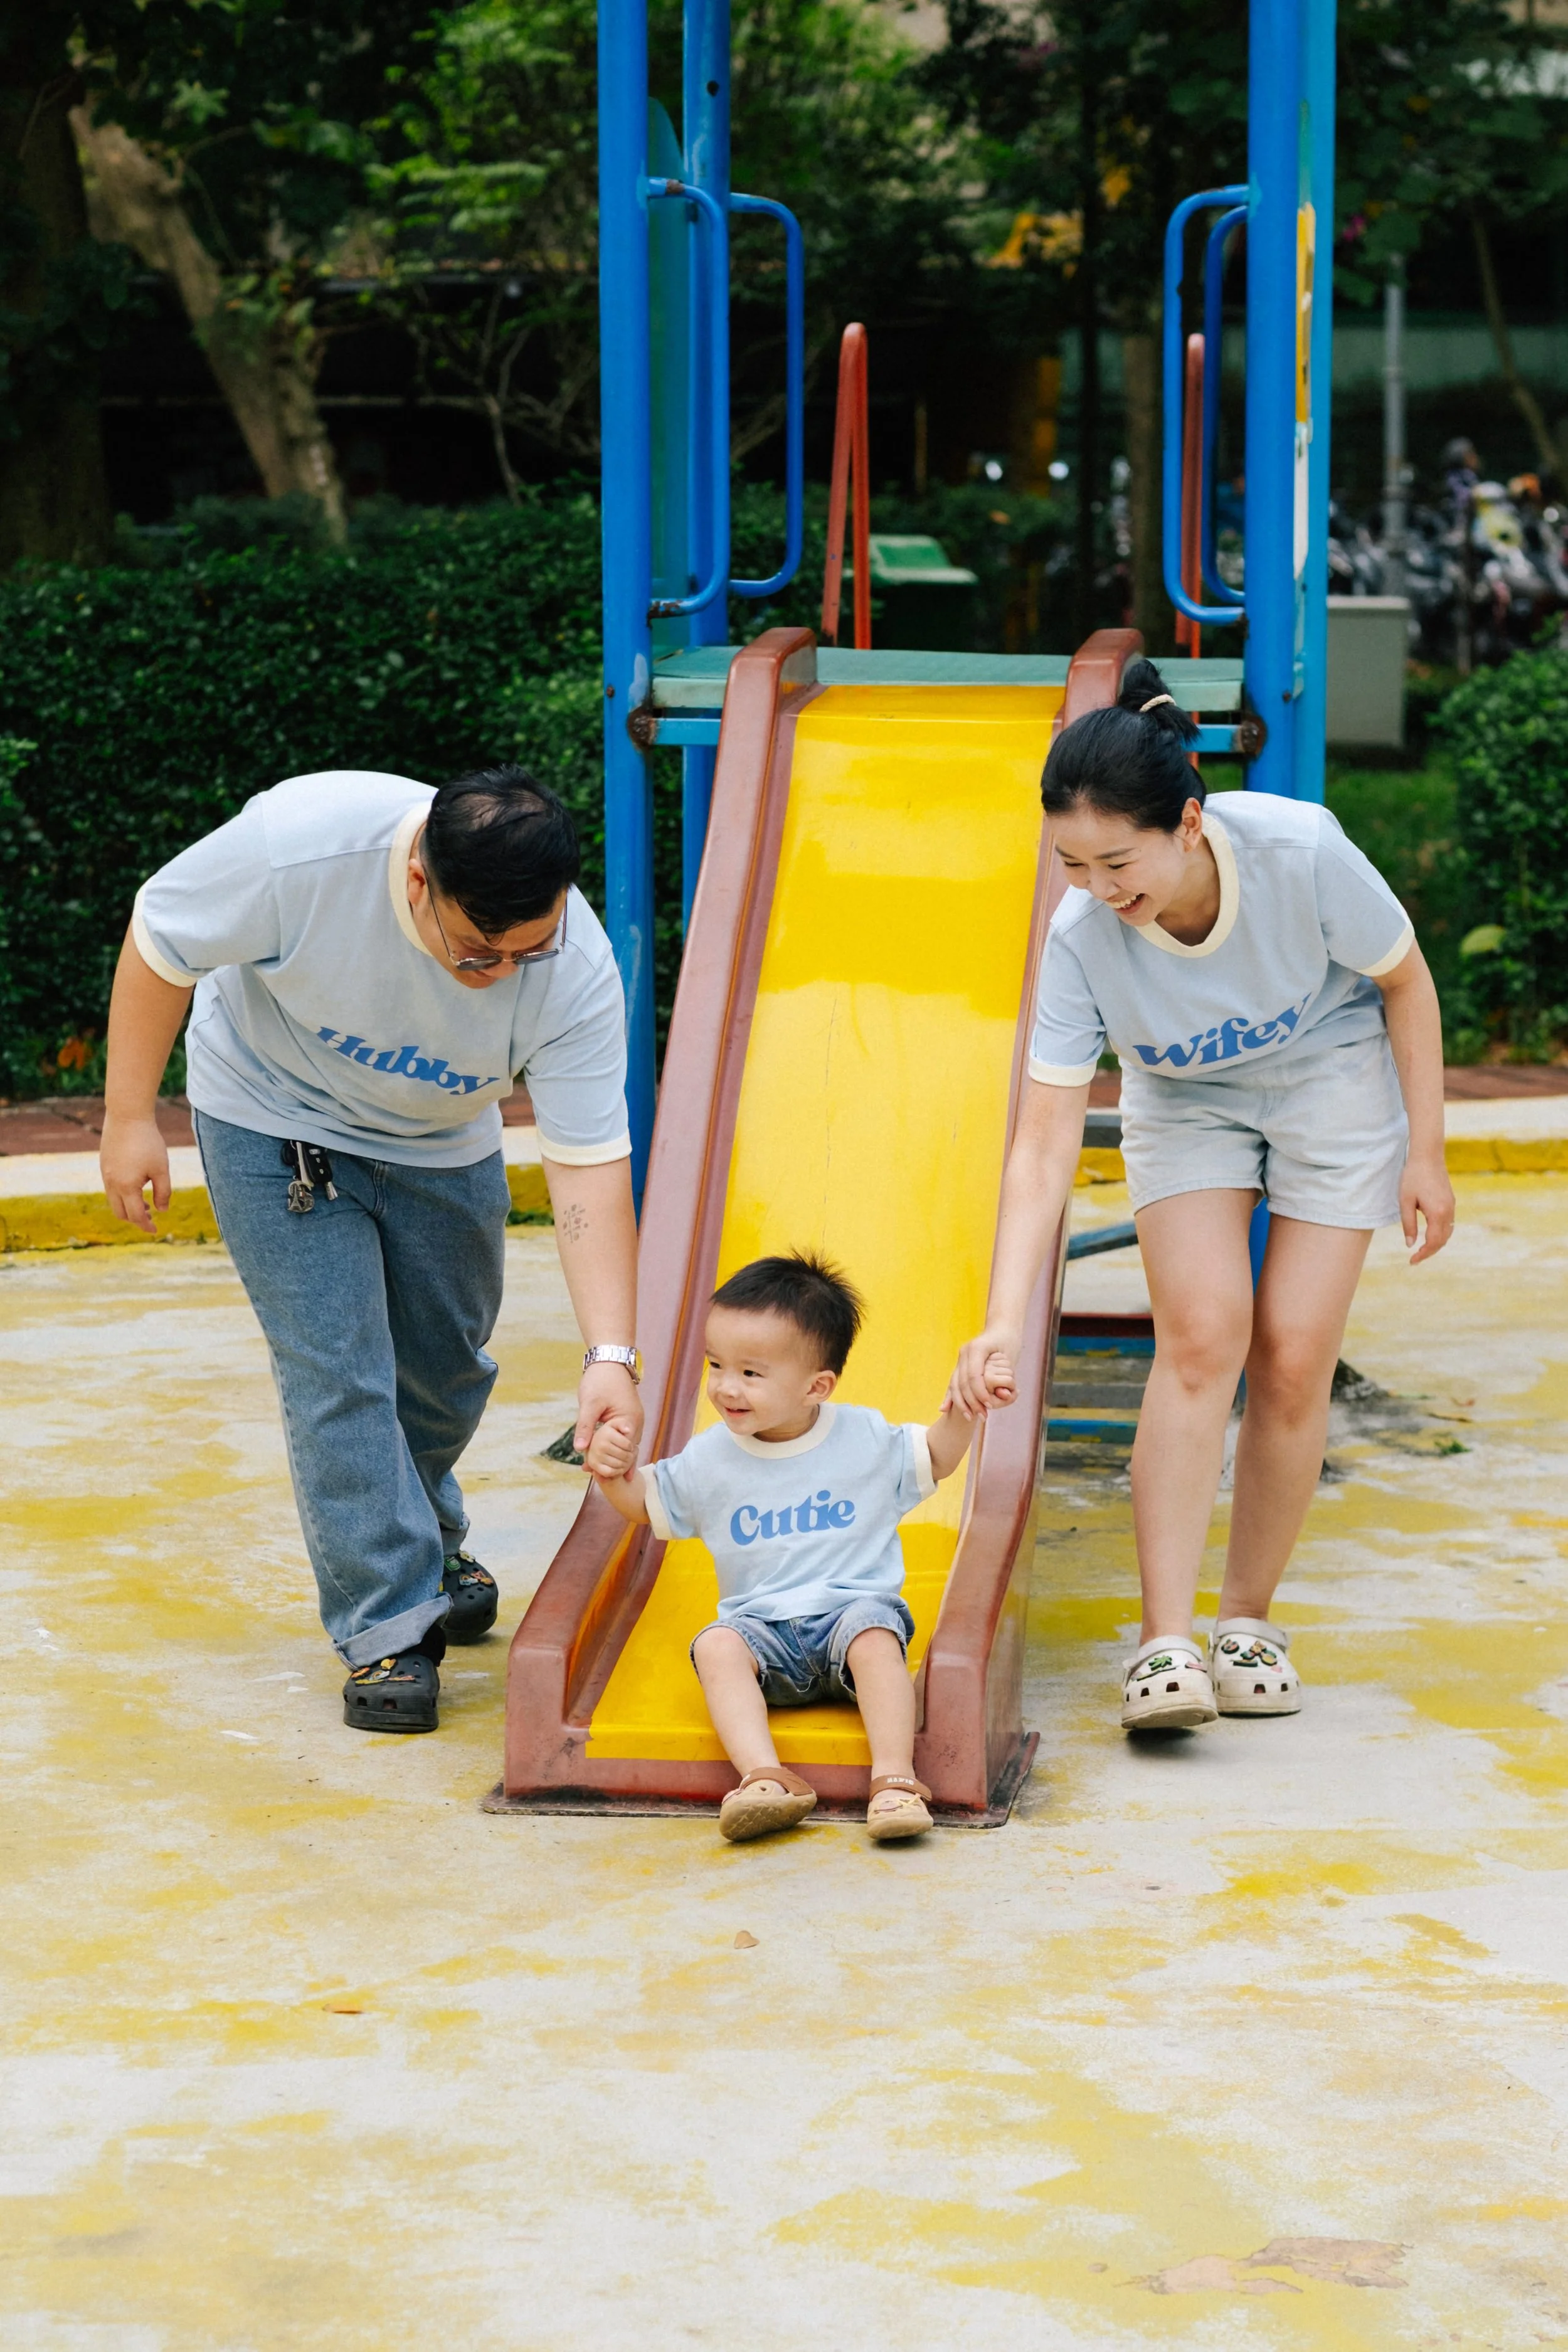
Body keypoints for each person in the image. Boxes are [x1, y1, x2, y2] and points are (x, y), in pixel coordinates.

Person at [949, 660, 1455, 1734]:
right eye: (1070, 863)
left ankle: (1249, 1621)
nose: (1096, 886)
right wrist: (1002, 1317)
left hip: (1329, 1076)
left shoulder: (1298, 849)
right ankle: (1163, 1642)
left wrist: (1427, 1151)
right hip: (1184, 1102)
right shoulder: (1082, 937)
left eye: (1117, 860)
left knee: (1292, 1355)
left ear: (1187, 822)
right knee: (1200, 1338)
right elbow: (1041, 1147)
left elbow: (1405, 979)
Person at [100, 765, 642, 1735]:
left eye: (529, 951)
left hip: (440, 1141)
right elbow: (160, 935)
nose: (504, 975)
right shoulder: (302, 848)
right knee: (340, 1372)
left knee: (446, 1370)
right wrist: (129, 1115)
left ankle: (427, 1535)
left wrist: (611, 1355)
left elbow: (588, 1169)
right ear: (419, 882)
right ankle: (386, 1622)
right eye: (481, 954)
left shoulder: (575, 967)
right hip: (272, 1114)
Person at [586, 1253, 1008, 1842]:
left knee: (875, 1635)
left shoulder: (861, 1436)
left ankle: (894, 1781)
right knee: (715, 1645)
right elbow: (649, 1502)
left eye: (751, 1374)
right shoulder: (711, 1457)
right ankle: (764, 1777)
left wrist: (965, 1408)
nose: (725, 1387)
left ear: (818, 1386)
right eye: (715, 1365)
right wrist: (612, 1473)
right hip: (764, 1634)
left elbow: (934, 1458)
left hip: (848, 1615)